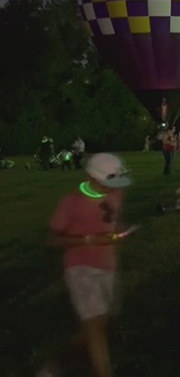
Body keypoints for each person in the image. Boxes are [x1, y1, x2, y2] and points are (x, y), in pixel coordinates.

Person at [39, 153, 133, 377]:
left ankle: (57, 366)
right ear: (91, 177)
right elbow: (53, 240)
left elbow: (114, 221)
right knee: (95, 330)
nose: (113, 187)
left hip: (107, 267)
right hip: (80, 269)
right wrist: (89, 239)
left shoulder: (116, 194)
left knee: (100, 323)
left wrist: (119, 234)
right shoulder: (72, 203)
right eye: (108, 182)